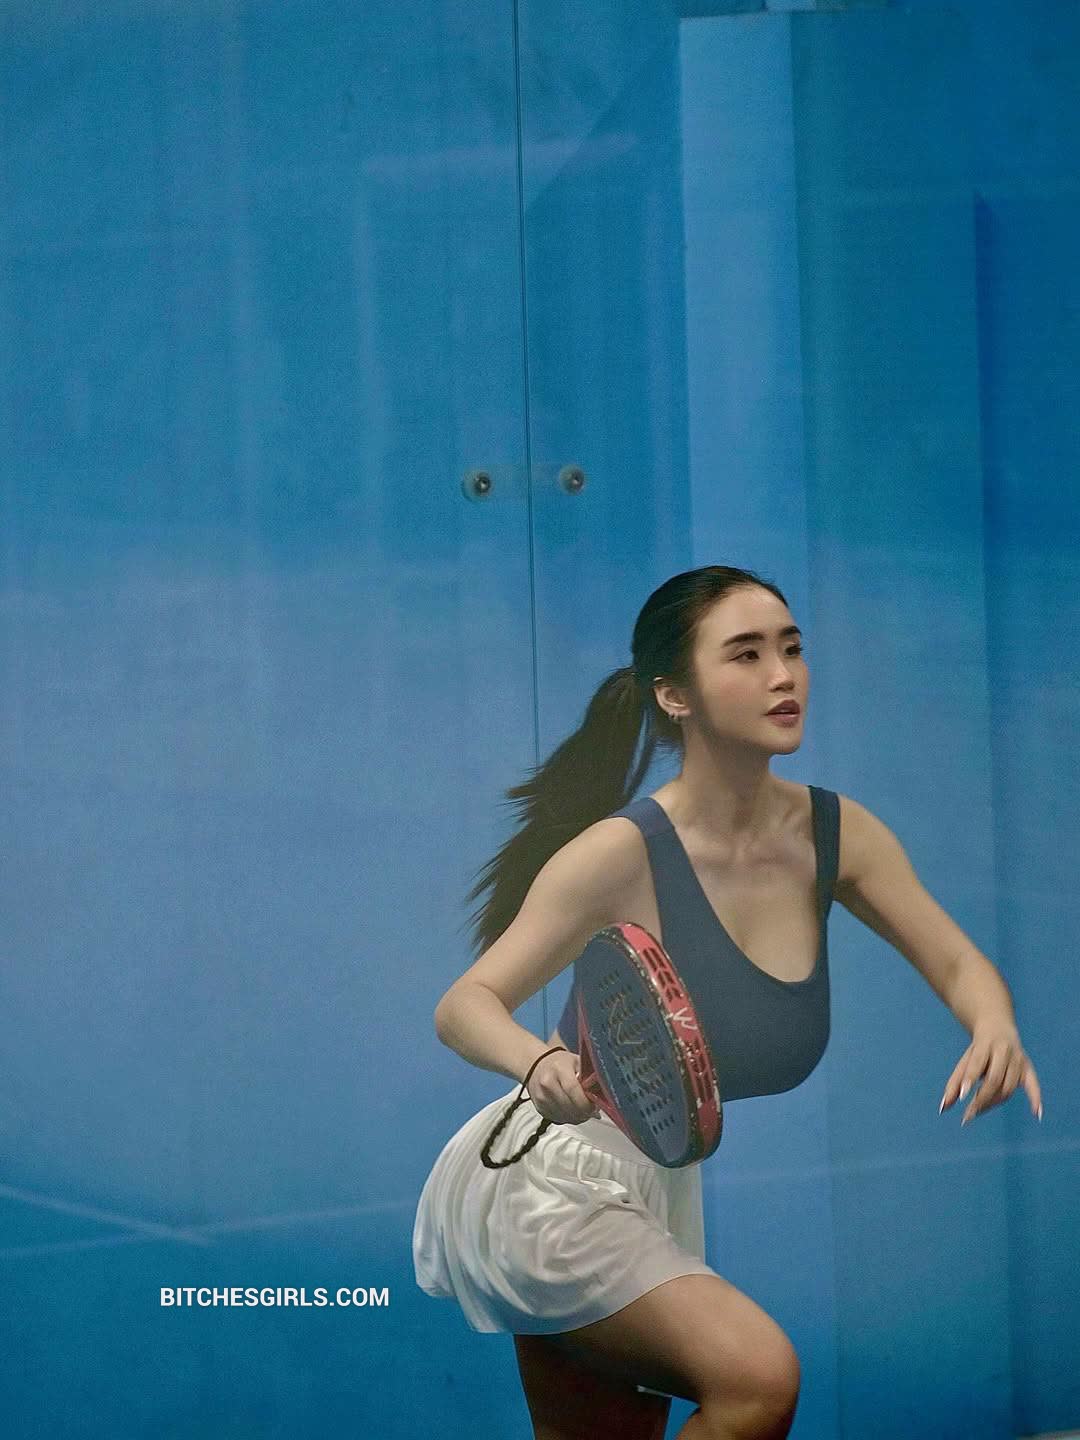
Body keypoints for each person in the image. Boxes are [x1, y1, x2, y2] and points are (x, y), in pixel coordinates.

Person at [412, 565, 1042, 1440]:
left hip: (658, 1189)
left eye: (792, 648)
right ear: (675, 694)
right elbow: (465, 1004)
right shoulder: (620, 853)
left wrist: (993, 1021)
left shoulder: (836, 833)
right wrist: (537, 1058)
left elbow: (959, 960)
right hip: (554, 1183)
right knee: (758, 1380)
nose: (784, 676)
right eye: (746, 655)